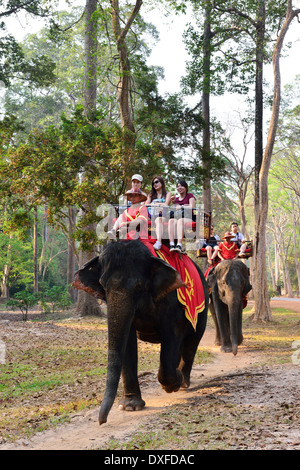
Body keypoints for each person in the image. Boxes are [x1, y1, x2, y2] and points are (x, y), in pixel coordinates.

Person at [107, 174, 146, 238]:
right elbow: (125, 205)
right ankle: (114, 230)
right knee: (122, 215)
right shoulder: (128, 193)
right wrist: (119, 207)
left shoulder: (143, 195)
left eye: (138, 182)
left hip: (137, 214)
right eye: (134, 182)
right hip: (128, 213)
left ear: (140, 184)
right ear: (131, 183)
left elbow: (143, 206)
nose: (135, 184)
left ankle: (120, 231)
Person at [145, 176, 172, 251]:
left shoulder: (167, 193)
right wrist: (157, 204)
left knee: (159, 220)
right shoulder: (151, 194)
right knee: (141, 219)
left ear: (162, 183)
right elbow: (146, 204)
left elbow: (166, 204)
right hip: (151, 214)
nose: (155, 184)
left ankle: (159, 241)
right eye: (153, 183)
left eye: (156, 182)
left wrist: (155, 204)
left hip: (162, 215)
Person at [168, 180, 196, 253]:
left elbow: (192, 206)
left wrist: (182, 206)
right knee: (171, 221)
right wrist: (173, 202)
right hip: (177, 217)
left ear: (186, 187)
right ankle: (171, 244)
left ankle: (179, 244)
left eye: (181, 186)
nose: (179, 188)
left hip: (188, 217)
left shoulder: (190, 195)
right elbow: (172, 210)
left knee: (181, 221)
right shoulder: (176, 199)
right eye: (178, 186)